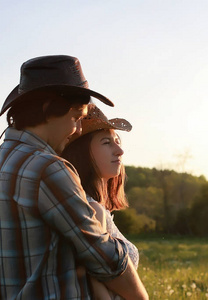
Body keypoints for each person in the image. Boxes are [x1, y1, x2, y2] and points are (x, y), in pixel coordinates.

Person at [0, 55, 148, 299]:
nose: (77, 129)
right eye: (76, 118)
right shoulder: (47, 168)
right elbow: (103, 258)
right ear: (48, 110)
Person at [61, 104, 139, 299]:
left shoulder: (94, 206)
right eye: (106, 142)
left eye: (117, 141)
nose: (119, 150)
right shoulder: (93, 210)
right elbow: (96, 289)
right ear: (82, 152)